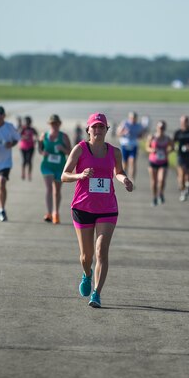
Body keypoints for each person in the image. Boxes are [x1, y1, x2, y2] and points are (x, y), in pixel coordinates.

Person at [62, 112, 134, 308]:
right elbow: (64, 175)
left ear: (106, 130)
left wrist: (124, 180)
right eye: (94, 126)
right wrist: (80, 176)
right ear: (88, 129)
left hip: (107, 208)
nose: (98, 130)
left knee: (101, 251)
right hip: (82, 207)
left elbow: (118, 172)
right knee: (86, 256)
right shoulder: (80, 149)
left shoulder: (115, 152)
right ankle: (87, 274)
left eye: (101, 127)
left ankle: (97, 293)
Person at [39, 114, 72, 224]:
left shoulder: (64, 137)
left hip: (59, 166)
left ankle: (55, 213)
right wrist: (43, 152)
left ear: (59, 124)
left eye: (56, 123)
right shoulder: (44, 135)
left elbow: (70, 153)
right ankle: (48, 213)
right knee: (49, 188)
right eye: (52, 123)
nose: (54, 125)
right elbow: (40, 149)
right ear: (49, 124)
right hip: (47, 165)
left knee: (56, 191)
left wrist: (63, 149)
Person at [146, 120, 173, 206]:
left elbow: (172, 147)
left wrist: (167, 150)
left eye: (163, 128)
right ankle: (154, 198)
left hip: (163, 161)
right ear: (157, 128)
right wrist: (152, 150)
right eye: (160, 127)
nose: (161, 129)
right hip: (153, 161)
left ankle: (160, 193)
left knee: (161, 180)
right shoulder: (152, 137)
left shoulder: (167, 138)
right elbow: (147, 147)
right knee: (154, 181)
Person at [116, 111, 145, 182]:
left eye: (134, 118)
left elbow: (141, 135)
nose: (133, 119)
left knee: (132, 162)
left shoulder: (138, 126)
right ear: (129, 118)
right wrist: (123, 132)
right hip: (125, 144)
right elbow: (118, 133)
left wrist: (140, 135)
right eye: (131, 118)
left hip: (133, 145)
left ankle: (132, 179)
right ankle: (124, 179)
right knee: (125, 163)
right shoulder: (125, 123)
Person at [19, 116, 38, 181]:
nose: (27, 123)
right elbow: (18, 136)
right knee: (24, 161)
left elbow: (36, 135)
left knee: (29, 161)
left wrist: (35, 139)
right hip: (23, 147)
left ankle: (29, 174)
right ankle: (23, 173)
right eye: (26, 122)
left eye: (28, 122)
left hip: (31, 147)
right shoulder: (23, 129)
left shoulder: (32, 129)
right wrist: (23, 137)